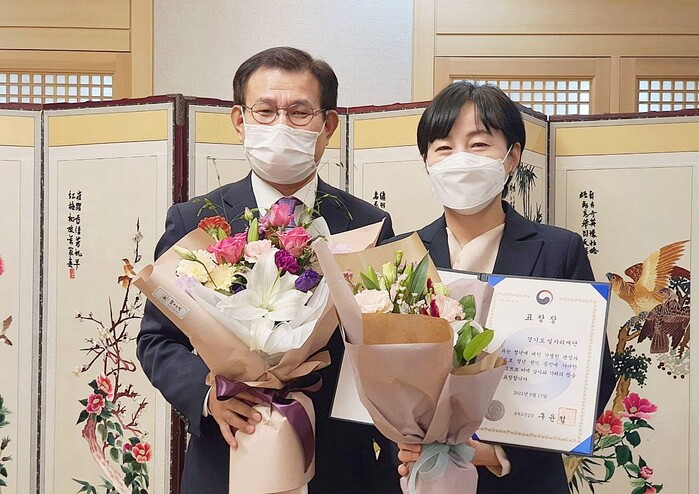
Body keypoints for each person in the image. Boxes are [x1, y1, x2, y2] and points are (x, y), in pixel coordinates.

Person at [137, 46, 397, 494]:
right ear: (240, 120)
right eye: (265, 111)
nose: (281, 125)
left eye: (299, 112)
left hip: (338, 463)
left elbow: (387, 347)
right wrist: (208, 396)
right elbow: (157, 339)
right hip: (227, 455)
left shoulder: (365, 225)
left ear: (328, 125)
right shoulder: (197, 220)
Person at [391, 81, 616, 493]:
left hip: (524, 481)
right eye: (443, 147)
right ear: (426, 161)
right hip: (419, 475)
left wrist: (497, 453)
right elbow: (378, 380)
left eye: (478, 144)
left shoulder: (558, 250)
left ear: (512, 157)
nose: (460, 159)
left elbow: (593, 377)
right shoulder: (401, 255)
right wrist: (404, 443)